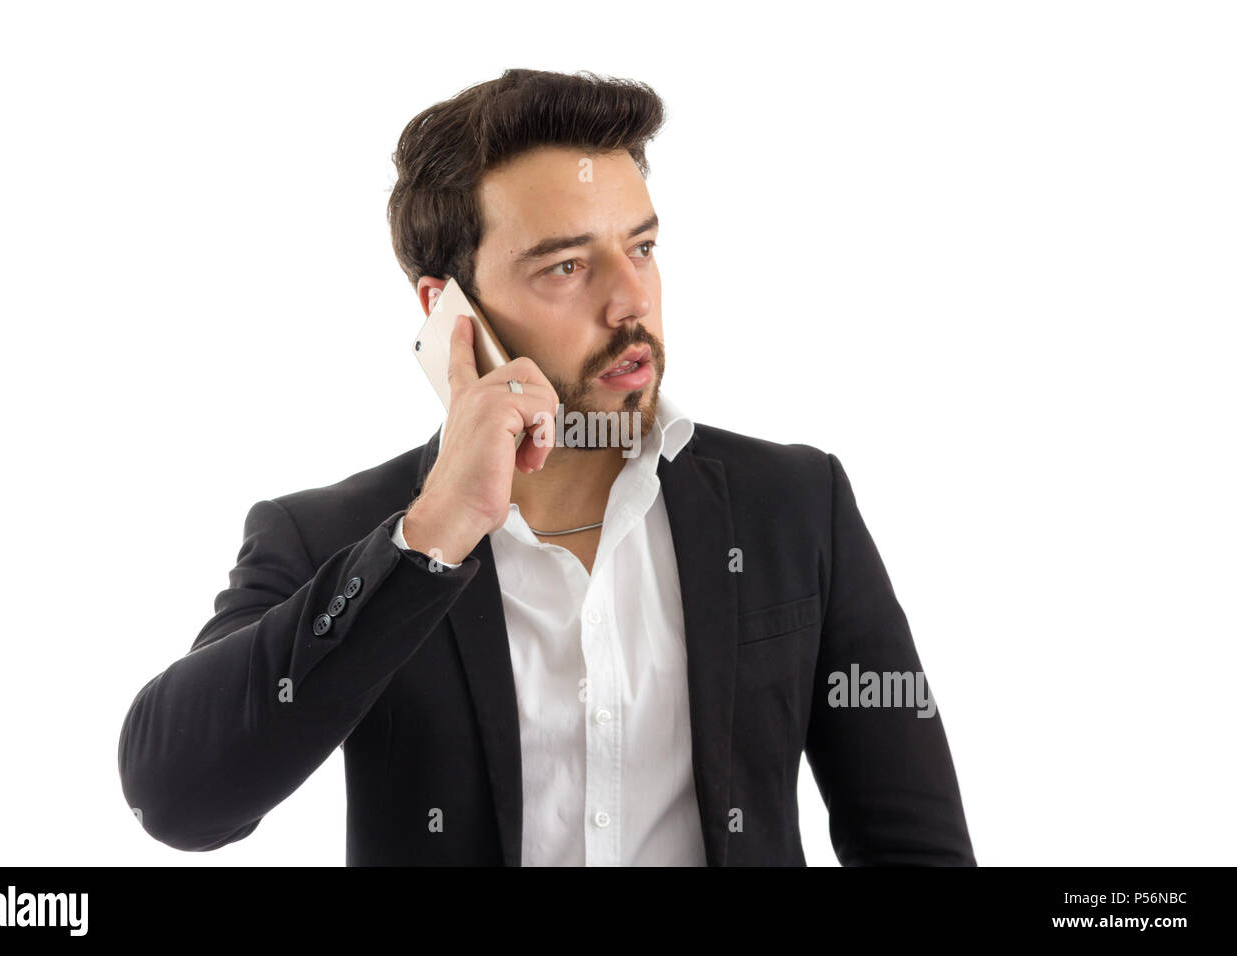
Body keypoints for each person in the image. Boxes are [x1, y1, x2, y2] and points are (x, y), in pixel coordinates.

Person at [118, 68, 976, 866]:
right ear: (447, 311)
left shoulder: (795, 506)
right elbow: (178, 799)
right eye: (566, 266)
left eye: (640, 248)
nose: (629, 300)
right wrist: (433, 536)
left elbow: (915, 843)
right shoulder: (334, 538)